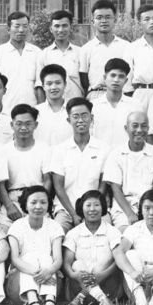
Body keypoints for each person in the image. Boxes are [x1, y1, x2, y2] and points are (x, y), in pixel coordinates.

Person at [49, 97, 109, 234]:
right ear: (68, 120)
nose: (80, 120)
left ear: (91, 118)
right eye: (75, 116)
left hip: (95, 208)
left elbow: (103, 184)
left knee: (107, 232)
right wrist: (74, 214)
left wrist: (92, 208)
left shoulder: (103, 148)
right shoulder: (60, 150)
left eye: (84, 115)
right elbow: (58, 187)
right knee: (57, 232)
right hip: (65, 209)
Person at [6, 186, 64, 305]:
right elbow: (15, 259)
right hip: (19, 288)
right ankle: (33, 303)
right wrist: (38, 273)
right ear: (25, 204)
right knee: (29, 256)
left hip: (50, 282)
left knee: (46, 258)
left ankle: (49, 304)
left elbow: (58, 259)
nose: (38, 206)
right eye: (33, 202)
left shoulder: (55, 226)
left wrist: (48, 271)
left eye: (43, 202)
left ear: (48, 204)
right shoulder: (16, 226)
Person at [104, 111, 153, 232]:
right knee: (128, 234)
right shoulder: (115, 155)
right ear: (126, 128)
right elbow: (116, 189)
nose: (139, 130)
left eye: (143, 126)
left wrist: (147, 212)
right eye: (135, 126)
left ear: (148, 129)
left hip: (151, 206)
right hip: (124, 209)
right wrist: (130, 214)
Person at [63, 190, 121, 305]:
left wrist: (102, 275)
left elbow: (119, 260)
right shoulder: (73, 233)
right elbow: (67, 263)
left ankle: (85, 295)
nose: (92, 209)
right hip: (77, 286)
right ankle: (102, 299)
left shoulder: (113, 232)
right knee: (77, 264)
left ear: (103, 207)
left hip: (108, 286)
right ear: (81, 208)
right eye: (88, 205)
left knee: (104, 261)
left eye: (97, 205)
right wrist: (73, 275)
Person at [0, 104, 52, 230]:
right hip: (12, 200)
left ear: (35, 125)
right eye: (19, 124)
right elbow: (0, 184)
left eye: (28, 124)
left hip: (37, 198)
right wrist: (9, 206)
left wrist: (40, 202)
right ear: (12, 125)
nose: (23, 128)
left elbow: (48, 180)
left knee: (43, 234)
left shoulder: (45, 149)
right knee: (2, 234)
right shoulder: (3, 151)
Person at [79, 0, 132, 100]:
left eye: (108, 17)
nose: (104, 21)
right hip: (96, 95)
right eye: (99, 17)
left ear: (115, 20)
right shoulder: (86, 49)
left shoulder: (127, 46)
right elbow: (84, 79)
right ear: (93, 21)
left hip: (122, 95)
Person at [0, 11, 42, 108]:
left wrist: (41, 109)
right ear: (8, 29)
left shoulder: (37, 53)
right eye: (17, 26)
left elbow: (40, 84)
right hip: (6, 109)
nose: (21, 30)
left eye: (25, 26)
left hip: (31, 109)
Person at [124, 4, 153, 111]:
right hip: (141, 94)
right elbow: (127, 77)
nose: (152, 22)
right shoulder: (132, 48)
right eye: (147, 19)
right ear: (140, 23)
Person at [91, 58, 142, 149]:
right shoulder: (93, 106)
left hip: (126, 155)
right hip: (100, 155)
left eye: (121, 76)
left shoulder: (135, 106)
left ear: (126, 81)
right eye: (113, 75)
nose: (116, 80)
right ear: (105, 78)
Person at [35, 9, 83, 101]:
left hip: (76, 105)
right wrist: (42, 108)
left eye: (64, 26)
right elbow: (40, 85)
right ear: (51, 29)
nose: (60, 30)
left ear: (70, 28)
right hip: (53, 106)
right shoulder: (44, 54)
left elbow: (86, 83)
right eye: (57, 26)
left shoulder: (80, 53)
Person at [33, 64, 73, 147]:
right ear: (43, 86)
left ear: (65, 84)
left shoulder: (73, 112)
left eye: (58, 83)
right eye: (49, 83)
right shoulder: (35, 112)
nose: (54, 87)